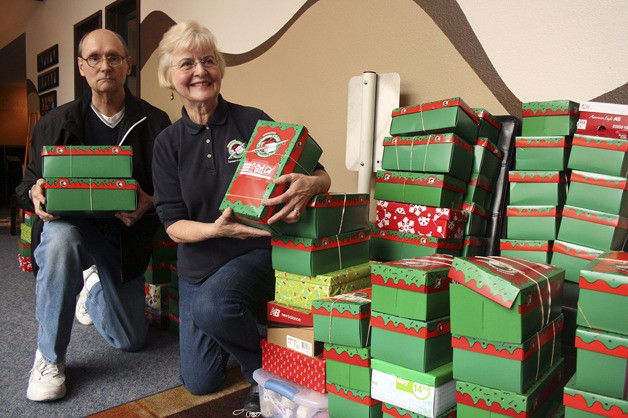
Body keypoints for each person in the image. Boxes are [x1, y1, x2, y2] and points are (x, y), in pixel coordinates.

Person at [152, 20, 331, 413]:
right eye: (187, 64)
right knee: (200, 382)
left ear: (220, 68)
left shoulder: (252, 122)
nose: (200, 71)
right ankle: (251, 326)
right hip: (199, 265)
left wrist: (311, 184)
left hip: (256, 252)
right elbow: (172, 224)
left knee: (212, 308)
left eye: (208, 60)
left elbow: (321, 173)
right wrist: (216, 230)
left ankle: (261, 369)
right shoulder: (167, 143)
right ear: (170, 76)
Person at [15, 29, 171, 402]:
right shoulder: (54, 124)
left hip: (123, 239)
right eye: (95, 58)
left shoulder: (155, 122)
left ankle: (93, 288)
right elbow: (26, 184)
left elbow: (171, 188)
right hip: (70, 230)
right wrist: (34, 192)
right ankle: (49, 358)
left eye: (114, 57)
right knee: (59, 241)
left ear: (128, 65)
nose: (106, 65)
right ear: (82, 67)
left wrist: (149, 201)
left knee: (132, 340)